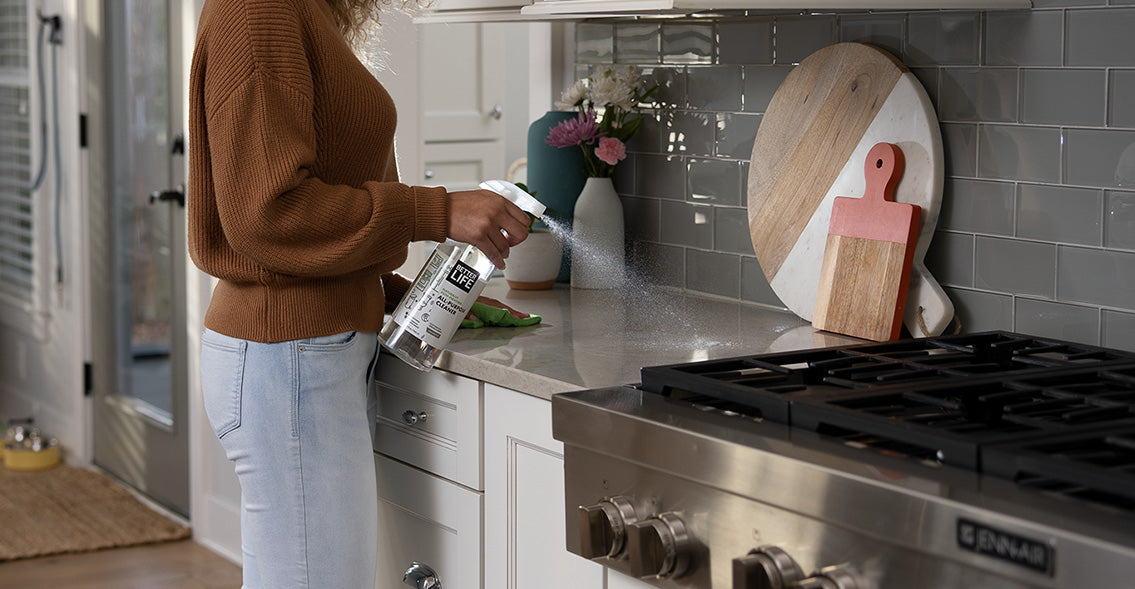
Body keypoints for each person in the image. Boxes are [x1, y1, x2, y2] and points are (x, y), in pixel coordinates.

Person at [187, 0, 531, 586]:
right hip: (288, 355)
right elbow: (269, 213)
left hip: (298, 354)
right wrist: (437, 210)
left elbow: (304, 216)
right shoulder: (260, 11)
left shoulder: (302, 11)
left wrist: (410, 295)